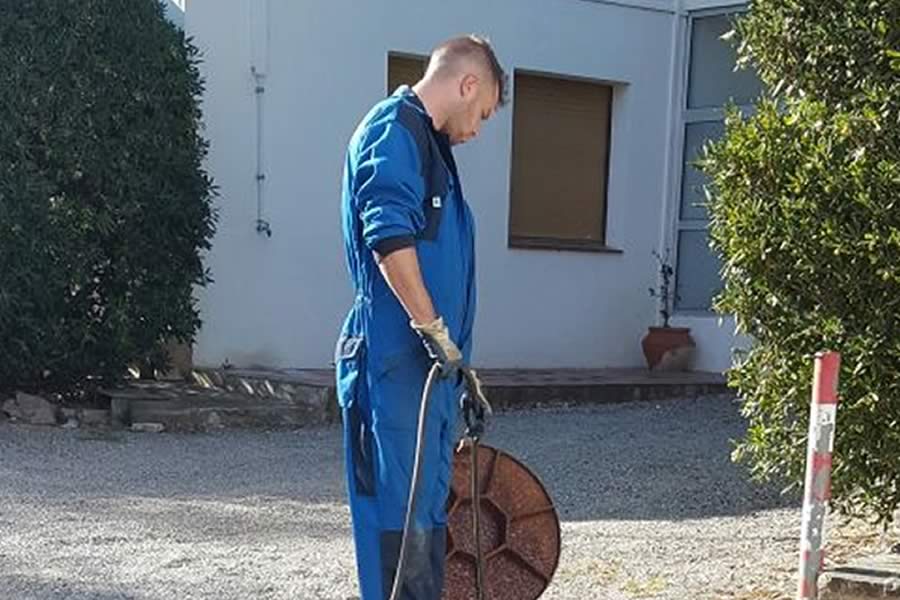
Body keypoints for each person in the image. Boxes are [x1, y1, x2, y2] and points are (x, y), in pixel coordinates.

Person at [334, 34, 507, 599]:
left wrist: (460, 370)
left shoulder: (430, 150)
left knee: (425, 513)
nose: (477, 130)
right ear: (468, 84)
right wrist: (433, 330)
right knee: (398, 517)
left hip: (427, 374)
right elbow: (388, 237)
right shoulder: (394, 131)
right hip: (394, 366)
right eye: (483, 113)